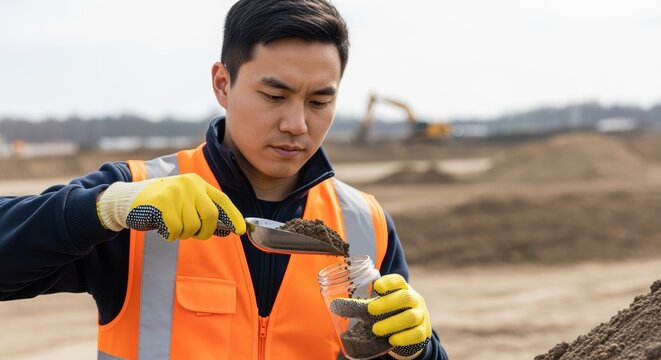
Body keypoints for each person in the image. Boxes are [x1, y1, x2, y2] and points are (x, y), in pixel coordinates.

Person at [0, 0, 449, 359]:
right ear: (222, 84)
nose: (296, 123)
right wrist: (105, 208)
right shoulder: (137, 196)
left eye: (318, 101)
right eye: (274, 95)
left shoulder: (365, 223)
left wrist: (417, 349)